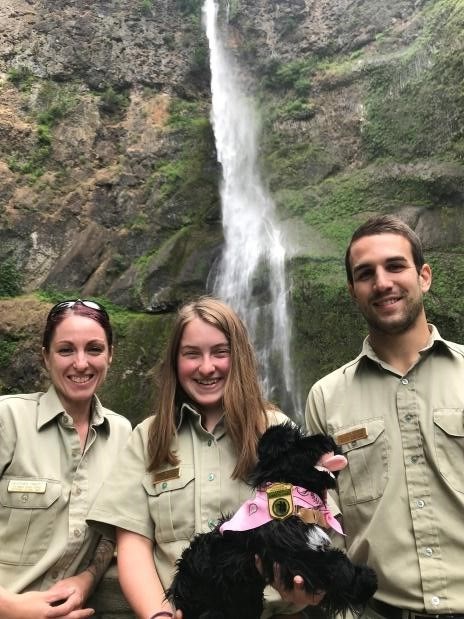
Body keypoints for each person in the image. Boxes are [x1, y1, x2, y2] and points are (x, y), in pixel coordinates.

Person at [88, 296, 324, 619]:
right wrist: (159, 615)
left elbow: (316, 520)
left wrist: (302, 580)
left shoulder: (277, 432)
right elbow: (133, 544)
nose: (207, 367)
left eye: (220, 352)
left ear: (238, 356)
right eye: (191, 354)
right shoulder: (148, 438)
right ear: (175, 361)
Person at [305, 214, 464, 618]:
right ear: (353, 291)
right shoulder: (325, 398)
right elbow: (324, 521)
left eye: (395, 266)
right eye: (365, 274)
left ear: (424, 276)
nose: (382, 282)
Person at [0, 299, 132, 619]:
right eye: (66, 350)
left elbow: (109, 533)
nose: (81, 363)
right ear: (46, 357)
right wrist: (11, 608)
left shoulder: (122, 433)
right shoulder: (7, 418)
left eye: (95, 349)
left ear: (111, 355)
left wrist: (87, 580)